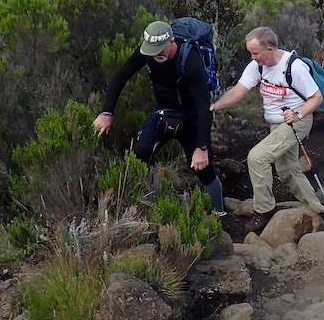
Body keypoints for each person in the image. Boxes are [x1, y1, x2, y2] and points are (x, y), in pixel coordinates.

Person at [92, 20, 225, 214]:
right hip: (164, 111)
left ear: (172, 41)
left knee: (201, 167)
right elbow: (120, 76)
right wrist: (106, 113)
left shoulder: (190, 60)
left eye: (160, 49)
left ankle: (219, 215)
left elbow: (204, 107)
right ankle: (156, 197)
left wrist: (201, 147)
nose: (156, 54)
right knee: (140, 153)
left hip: (192, 116)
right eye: (152, 50)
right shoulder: (147, 52)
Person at [209, 27, 324, 233]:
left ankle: (264, 209)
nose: (252, 57)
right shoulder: (258, 66)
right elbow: (238, 91)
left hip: (296, 122)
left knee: (257, 157)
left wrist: (298, 114)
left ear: (270, 49)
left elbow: (316, 98)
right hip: (276, 124)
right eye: (250, 53)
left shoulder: (294, 67)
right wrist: (214, 106)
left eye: (255, 53)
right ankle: (318, 209)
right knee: (287, 169)